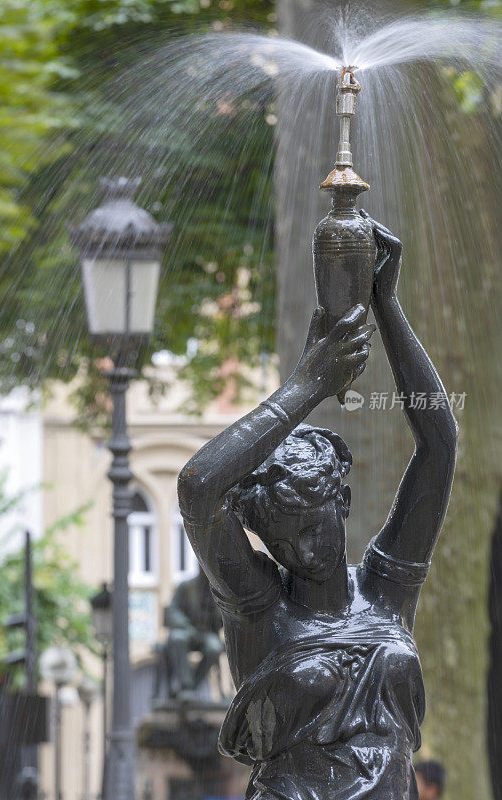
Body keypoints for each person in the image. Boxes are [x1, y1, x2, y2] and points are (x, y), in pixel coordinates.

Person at [178, 215, 458, 799]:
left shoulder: (387, 588)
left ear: (344, 503)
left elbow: (439, 445)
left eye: (313, 527)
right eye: (282, 540)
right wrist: (306, 386)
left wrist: (387, 305)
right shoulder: (261, 610)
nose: (301, 550)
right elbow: (199, 488)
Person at [165, 568, 224, 698]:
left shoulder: (217, 590)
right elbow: (173, 611)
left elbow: (222, 618)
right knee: (178, 638)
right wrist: (185, 626)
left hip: (206, 634)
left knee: (214, 647)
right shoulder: (186, 587)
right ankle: (185, 684)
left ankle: (192, 687)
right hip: (187, 631)